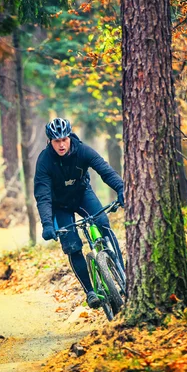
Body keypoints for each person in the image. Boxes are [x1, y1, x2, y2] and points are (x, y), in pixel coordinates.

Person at [34, 117, 125, 309]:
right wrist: (47, 224)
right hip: (60, 206)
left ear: (69, 137)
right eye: (57, 141)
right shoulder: (45, 160)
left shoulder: (82, 150)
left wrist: (121, 188)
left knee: (102, 222)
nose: (61, 144)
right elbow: (43, 195)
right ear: (50, 141)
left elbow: (105, 170)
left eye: (64, 139)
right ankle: (90, 291)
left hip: (83, 195)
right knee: (73, 246)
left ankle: (123, 272)